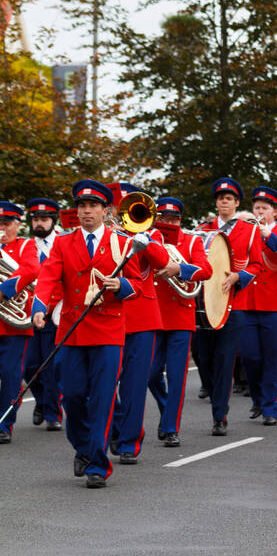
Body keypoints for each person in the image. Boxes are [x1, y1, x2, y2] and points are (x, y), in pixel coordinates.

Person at [30, 180, 143, 487]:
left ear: (106, 210)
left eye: (93, 206)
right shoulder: (64, 243)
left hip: (108, 330)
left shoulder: (121, 241)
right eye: (81, 206)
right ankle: (83, 447)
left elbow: (138, 284)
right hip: (72, 330)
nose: (86, 211)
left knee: (103, 398)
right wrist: (39, 306)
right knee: (74, 396)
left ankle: (97, 463)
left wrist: (122, 286)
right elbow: (48, 277)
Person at [192, 178, 266, 436]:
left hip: (235, 304)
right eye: (220, 198)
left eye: (229, 198)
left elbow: (257, 264)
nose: (224, 201)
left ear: (236, 203)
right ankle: (216, 400)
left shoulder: (250, 229)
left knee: (224, 359)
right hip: (204, 303)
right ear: (216, 202)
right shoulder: (202, 229)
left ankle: (219, 414)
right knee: (203, 358)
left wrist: (238, 277)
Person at [109, 182, 174, 466]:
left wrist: (141, 236)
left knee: (134, 384)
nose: (122, 213)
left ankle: (128, 442)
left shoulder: (152, 232)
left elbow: (162, 261)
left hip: (142, 317)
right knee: (102, 382)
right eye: (117, 207)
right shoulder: (102, 236)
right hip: (107, 316)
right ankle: (113, 427)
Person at [150, 197, 212, 448]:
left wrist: (179, 269)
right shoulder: (147, 238)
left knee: (177, 376)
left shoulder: (192, 240)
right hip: (153, 314)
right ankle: (167, 411)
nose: (168, 223)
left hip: (180, 313)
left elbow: (206, 270)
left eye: (173, 219)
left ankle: (171, 427)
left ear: (180, 220)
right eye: (163, 218)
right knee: (151, 374)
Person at [239, 186, 277, 426]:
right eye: (256, 207)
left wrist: (267, 236)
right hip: (247, 300)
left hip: (274, 304)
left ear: (274, 211)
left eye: (264, 208)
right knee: (250, 356)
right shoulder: (245, 231)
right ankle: (258, 398)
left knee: (273, 357)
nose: (259, 211)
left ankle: (271, 406)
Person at [0, 201, 41, 444]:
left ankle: (4, 423)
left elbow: (31, 268)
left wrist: (4, 290)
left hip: (14, 323)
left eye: (6, 223)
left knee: (10, 374)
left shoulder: (26, 245)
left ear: (17, 224)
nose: (2, 228)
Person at [22, 198, 63, 431]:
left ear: (53, 220)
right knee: (29, 366)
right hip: (29, 313)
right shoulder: (27, 245)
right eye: (35, 219)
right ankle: (41, 400)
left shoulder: (62, 242)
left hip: (54, 313)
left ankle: (52, 413)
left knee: (50, 367)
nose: (39, 223)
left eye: (44, 219)